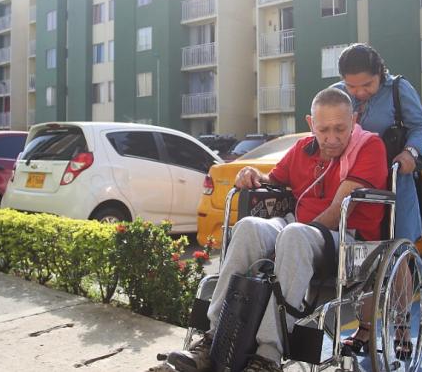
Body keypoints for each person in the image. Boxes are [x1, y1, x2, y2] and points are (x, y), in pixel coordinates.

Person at [161, 88, 388, 372]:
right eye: (324, 129)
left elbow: (337, 210)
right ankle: (212, 339)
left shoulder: (369, 146)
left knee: (294, 235)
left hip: (345, 236)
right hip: (297, 228)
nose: (331, 138)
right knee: (248, 228)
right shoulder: (303, 148)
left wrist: (291, 236)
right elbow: (275, 179)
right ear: (310, 124)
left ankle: (268, 354)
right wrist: (253, 176)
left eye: (340, 128)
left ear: (353, 120)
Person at [330, 43, 422, 351]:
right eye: (352, 86)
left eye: (367, 85)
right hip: (356, 189)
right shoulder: (337, 95)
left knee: (396, 258)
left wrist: (411, 153)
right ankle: (364, 329)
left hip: (395, 187)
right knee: (361, 263)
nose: (359, 92)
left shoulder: (399, 89)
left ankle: (401, 329)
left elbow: (420, 127)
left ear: (380, 74)